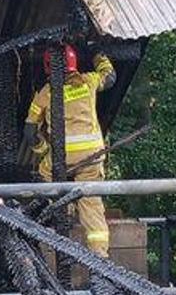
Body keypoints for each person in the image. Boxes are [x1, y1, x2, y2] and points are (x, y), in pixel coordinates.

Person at [23, 41, 117, 256]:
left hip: (61, 158)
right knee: (91, 203)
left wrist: (44, 150)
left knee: (47, 180)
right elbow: (110, 76)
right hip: (92, 155)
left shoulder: (45, 93)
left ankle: (64, 211)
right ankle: (100, 257)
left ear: (48, 67)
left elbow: (29, 132)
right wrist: (96, 53)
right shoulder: (88, 81)